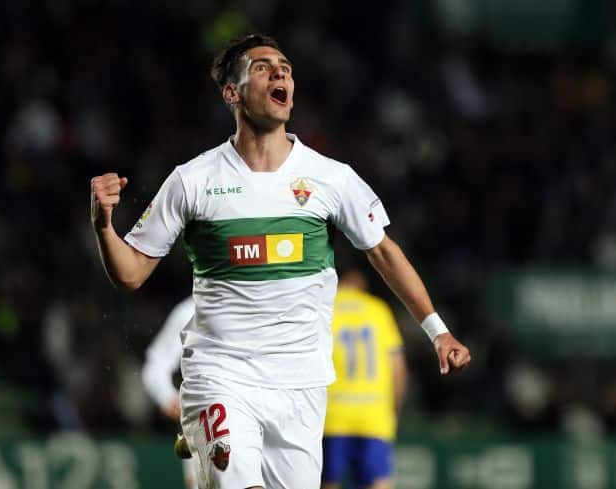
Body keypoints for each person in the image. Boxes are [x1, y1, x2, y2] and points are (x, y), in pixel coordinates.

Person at [90, 33, 470, 489]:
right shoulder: (193, 181)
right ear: (232, 93)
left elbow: (384, 251)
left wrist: (438, 331)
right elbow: (130, 273)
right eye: (263, 66)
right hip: (221, 375)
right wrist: (104, 227)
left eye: (285, 66)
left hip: (300, 386)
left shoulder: (330, 178)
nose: (280, 72)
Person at [322, 269, 407, 489]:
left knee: (328, 481)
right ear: (360, 282)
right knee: (378, 482)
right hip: (374, 413)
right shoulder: (378, 310)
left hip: (333, 414)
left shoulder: (325, 307)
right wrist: (394, 410)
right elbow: (398, 368)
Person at [141, 296, 199, 489]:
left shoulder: (279, 297)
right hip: (207, 426)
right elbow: (156, 365)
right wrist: (167, 397)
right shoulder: (192, 309)